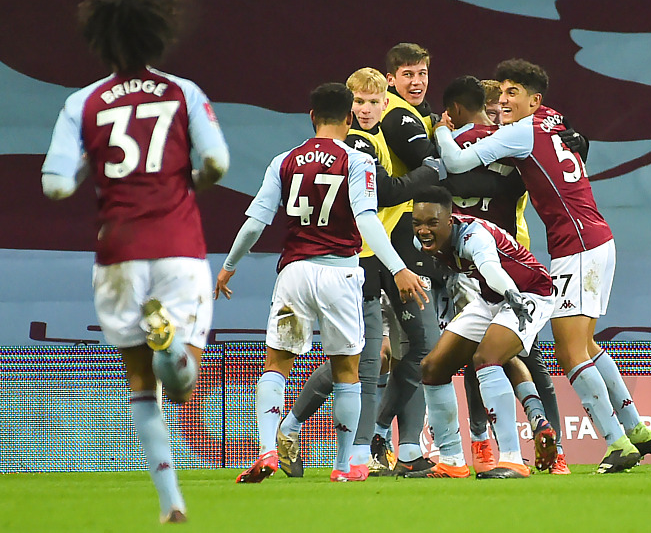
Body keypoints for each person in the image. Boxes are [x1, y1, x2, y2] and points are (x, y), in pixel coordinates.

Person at [40, 0, 229, 524]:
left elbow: (53, 183)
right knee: (183, 386)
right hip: (178, 245)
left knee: (141, 385)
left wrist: (91, 173)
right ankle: (172, 347)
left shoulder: (84, 102)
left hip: (118, 250)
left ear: (103, 41)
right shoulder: (182, 92)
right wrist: (185, 183)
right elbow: (216, 162)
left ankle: (171, 503)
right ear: (156, 35)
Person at [434, 59, 651, 473]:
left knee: (570, 351)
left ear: (533, 100)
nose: (503, 101)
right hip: (596, 237)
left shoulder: (520, 133)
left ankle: (617, 444)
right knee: (589, 345)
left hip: (576, 244)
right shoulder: (552, 119)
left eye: (512, 94)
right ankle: (637, 429)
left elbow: (456, 163)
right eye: (500, 93)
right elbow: (570, 136)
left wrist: (442, 130)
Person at [214, 82, 429, 484]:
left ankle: (266, 450)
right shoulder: (355, 159)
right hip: (340, 274)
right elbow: (366, 219)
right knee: (347, 370)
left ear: (311, 117)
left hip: (294, 274)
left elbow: (255, 221)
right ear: (349, 117)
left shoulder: (284, 160)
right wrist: (399, 267)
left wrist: (228, 265)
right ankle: (345, 465)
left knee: (277, 364)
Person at [275, 68, 445, 477]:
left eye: (374, 102)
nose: (366, 109)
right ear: (348, 109)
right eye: (359, 102)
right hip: (357, 261)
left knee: (411, 349)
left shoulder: (380, 136)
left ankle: (395, 445)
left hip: (382, 255)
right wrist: (432, 168)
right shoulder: (353, 143)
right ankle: (355, 450)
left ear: (385, 104)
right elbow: (387, 192)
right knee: (366, 361)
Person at [371, 43, 513, 474]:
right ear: (391, 78)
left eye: (422, 74)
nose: (416, 82)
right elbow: (431, 168)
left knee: (418, 354)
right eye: (407, 74)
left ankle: (413, 448)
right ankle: (390, 443)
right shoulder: (396, 115)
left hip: (432, 251)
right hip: (401, 249)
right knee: (421, 354)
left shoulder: (420, 116)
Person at [447, 75, 571, 474]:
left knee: (475, 357)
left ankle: (483, 444)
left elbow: (445, 176)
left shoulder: (455, 143)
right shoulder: (514, 144)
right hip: (512, 258)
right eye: (496, 106)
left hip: (470, 262)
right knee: (526, 357)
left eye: (505, 104)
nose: (500, 112)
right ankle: (553, 448)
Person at [407, 186, 556, 478]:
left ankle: (513, 459)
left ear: (450, 220)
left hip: (528, 295)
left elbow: (490, 267)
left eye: (431, 223)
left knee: (487, 358)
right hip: (490, 299)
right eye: (417, 223)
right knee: (433, 367)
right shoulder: (422, 242)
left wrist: (512, 294)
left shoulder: (475, 236)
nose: (423, 230)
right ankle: (451, 460)